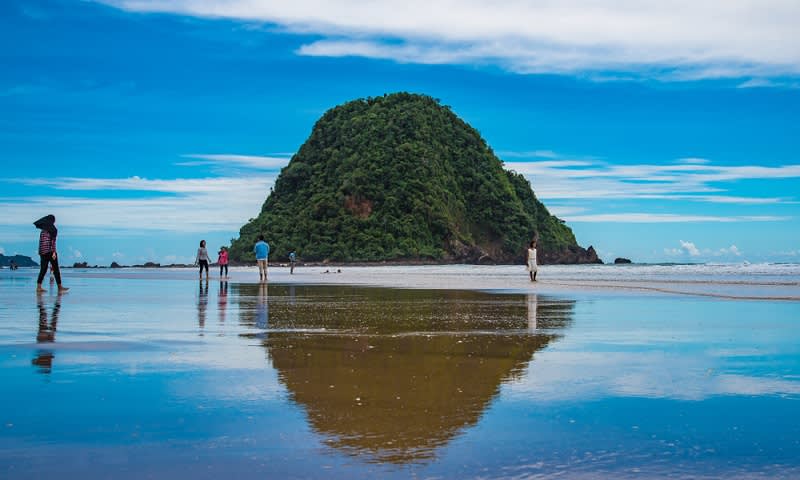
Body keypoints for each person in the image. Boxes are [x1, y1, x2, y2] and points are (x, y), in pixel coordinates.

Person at [34, 214, 68, 293]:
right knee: (56, 269)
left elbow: (41, 242)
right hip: (50, 252)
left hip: (42, 252)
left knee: (43, 269)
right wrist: (53, 252)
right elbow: (53, 242)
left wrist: (40, 252)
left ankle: (38, 287)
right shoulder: (53, 229)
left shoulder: (43, 231)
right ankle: (60, 287)